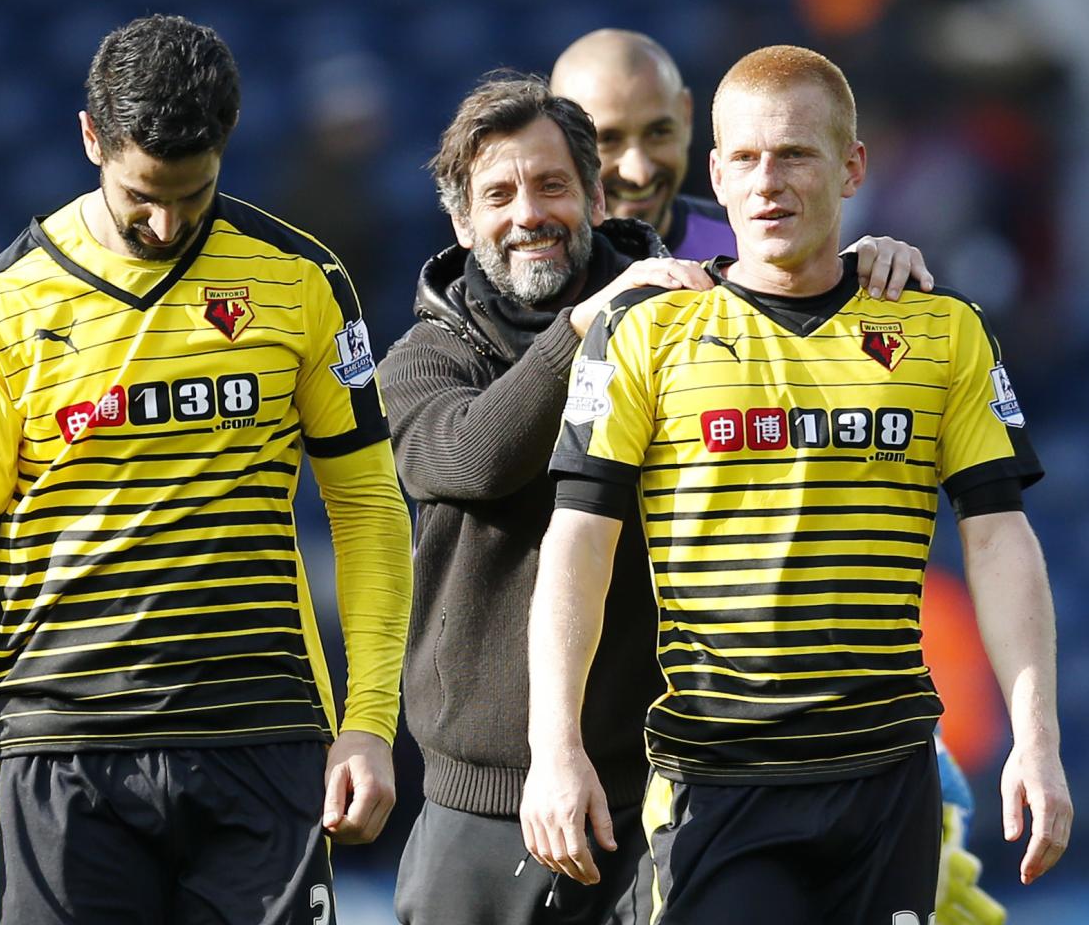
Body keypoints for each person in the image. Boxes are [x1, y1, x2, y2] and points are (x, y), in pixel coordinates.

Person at [0, 15, 412, 925]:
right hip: (61, 753)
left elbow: (365, 506)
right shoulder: (3, 309)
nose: (166, 222)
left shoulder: (302, 279)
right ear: (91, 139)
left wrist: (369, 719)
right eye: (141, 196)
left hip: (261, 735)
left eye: (192, 195)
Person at [522, 45, 1072, 923]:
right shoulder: (645, 332)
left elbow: (1000, 535)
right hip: (718, 782)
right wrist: (554, 747)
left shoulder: (941, 328)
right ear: (716, 172)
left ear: (853, 166)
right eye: (744, 157)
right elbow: (577, 546)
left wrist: (1035, 741)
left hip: (888, 783)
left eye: (796, 155)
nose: (767, 181)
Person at [380, 71, 929, 924]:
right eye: (499, 194)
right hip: (477, 807)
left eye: (553, 185)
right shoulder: (423, 358)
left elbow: (783, 290)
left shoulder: (686, 311)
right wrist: (585, 331)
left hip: (665, 797)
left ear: (597, 196)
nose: (529, 214)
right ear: (462, 221)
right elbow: (473, 459)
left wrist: (855, 270)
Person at [550, 28, 927, 298]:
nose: (640, 171)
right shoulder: (532, 259)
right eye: (608, 140)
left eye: (658, 133)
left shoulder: (757, 231)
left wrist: (871, 267)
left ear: (685, 116)